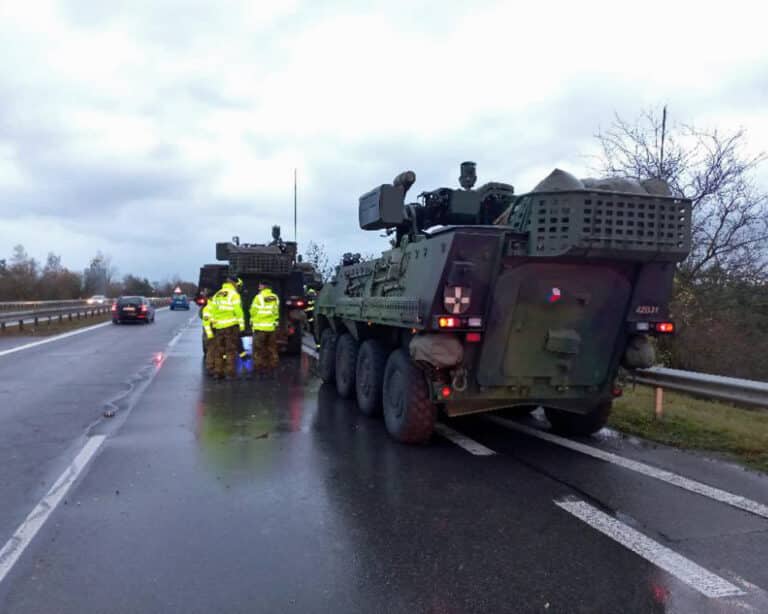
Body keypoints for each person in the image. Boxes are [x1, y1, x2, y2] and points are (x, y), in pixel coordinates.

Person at [210, 277, 245, 380]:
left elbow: (212, 310)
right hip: (230, 326)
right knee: (230, 350)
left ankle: (218, 372)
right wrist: (242, 325)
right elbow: (238, 311)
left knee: (219, 350)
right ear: (234, 284)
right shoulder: (234, 294)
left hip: (219, 327)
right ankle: (229, 373)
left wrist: (213, 324)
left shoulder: (218, 294)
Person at [250, 281, 280, 377]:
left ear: (264, 286)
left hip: (260, 327)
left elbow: (253, 311)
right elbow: (276, 311)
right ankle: (272, 367)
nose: (259, 287)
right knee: (271, 348)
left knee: (258, 349)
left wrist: (253, 320)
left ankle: (259, 368)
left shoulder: (258, 298)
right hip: (271, 327)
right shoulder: (275, 297)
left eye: (260, 285)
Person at [201, 301, 216, 376]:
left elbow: (205, 322)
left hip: (212, 331)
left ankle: (211, 368)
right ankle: (215, 368)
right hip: (218, 330)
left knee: (210, 350)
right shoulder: (216, 306)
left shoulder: (206, 308)